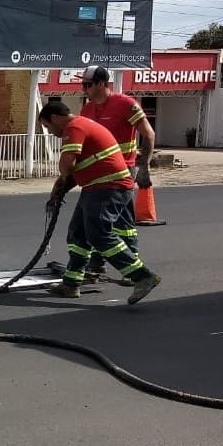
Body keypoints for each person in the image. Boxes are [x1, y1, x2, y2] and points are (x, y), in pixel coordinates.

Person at [39, 101, 161, 305]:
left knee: (98, 234)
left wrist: (61, 181)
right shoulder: (82, 125)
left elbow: (68, 165)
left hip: (108, 187)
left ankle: (142, 276)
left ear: (55, 118)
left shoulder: (74, 127)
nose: (50, 132)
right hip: (97, 187)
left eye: (48, 127)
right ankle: (71, 284)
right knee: (78, 234)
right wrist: (58, 192)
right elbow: (78, 170)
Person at [77, 65, 156, 285]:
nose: (84, 89)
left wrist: (144, 166)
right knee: (99, 219)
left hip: (123, 171)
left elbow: (149, 134)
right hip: (97, 173)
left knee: (118, 221)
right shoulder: (87, 109)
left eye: (87, 84)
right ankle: (98, 264)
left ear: (102, 84)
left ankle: (131, 269)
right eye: (82, 84)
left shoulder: (126, 104)